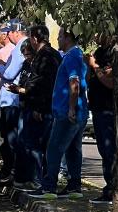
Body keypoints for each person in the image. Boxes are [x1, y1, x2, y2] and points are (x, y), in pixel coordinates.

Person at [32, 28, 89, 200]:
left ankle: (49, 187)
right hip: (77, 111)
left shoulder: (72, 56)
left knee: (54, 149)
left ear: (67, 38)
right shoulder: (77, 55)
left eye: (60, 36)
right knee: (73, 150)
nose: (57, 40)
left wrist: (71, 108)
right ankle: (74, 186)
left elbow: (74, 82)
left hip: (68, 111)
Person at [11, 25, 62, 190]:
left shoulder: (45, 56)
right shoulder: (52, 54)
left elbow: (44, 84)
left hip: (42, 108)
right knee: (41, 146)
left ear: (34, 39)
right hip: (44, 106)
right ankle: (42, 181)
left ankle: (39, 181)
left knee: (36, 146)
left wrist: (39, 107)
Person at [0, 20, 28, 184]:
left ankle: (15, 172)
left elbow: (9, 74)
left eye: (9, 33)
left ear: (15, 33)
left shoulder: (19, 48)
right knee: (11, 138)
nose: (7, 37)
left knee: (11, 139)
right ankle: (14, 171)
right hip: (12, 99)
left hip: (11, 99)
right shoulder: (21, 46)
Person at [86, 34, 117, 205]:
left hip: (108, 108)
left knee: (109, 149)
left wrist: (95, 66)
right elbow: (90, 79)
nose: (95, 36)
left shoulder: (114, 54)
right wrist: (89, 67)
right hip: (96, 107)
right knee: (103, 150)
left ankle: (113, 188)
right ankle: (108, 187)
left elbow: (109, 82)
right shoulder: (97, 52)